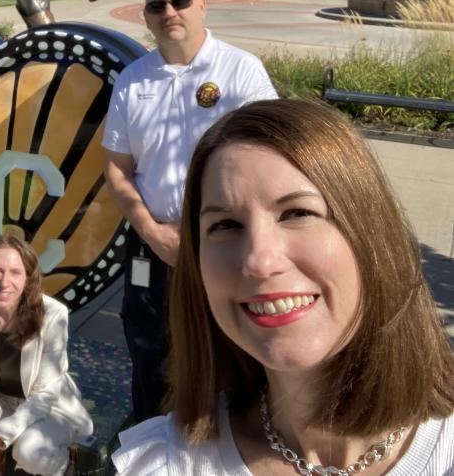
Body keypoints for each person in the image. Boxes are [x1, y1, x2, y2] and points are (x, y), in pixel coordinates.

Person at [112, 99, 454, 474]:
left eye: (297, 213)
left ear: (373, 237)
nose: (259, 261)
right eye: (225, 225)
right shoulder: (161, 464)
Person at [102, 0, 276, 421]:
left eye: (179, 1)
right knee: (149, 350)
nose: (169, 12)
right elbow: (117, 172)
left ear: (202, 6)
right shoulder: (132, 81)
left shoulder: (240, 71)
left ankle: (226, 448)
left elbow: (270, 159)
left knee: (231, 353)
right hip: (152, 246)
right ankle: (150, 442)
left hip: (224, 243)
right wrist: (153, 233)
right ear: (146, 16)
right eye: (157, 5)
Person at [0, 235, 93, 476]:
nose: (4, 282)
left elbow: (45, 395)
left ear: (28, 277)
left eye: (15, 272)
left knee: (29, 451)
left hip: (48, 405)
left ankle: (66, 464)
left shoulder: (53, 315)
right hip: (0, 397)